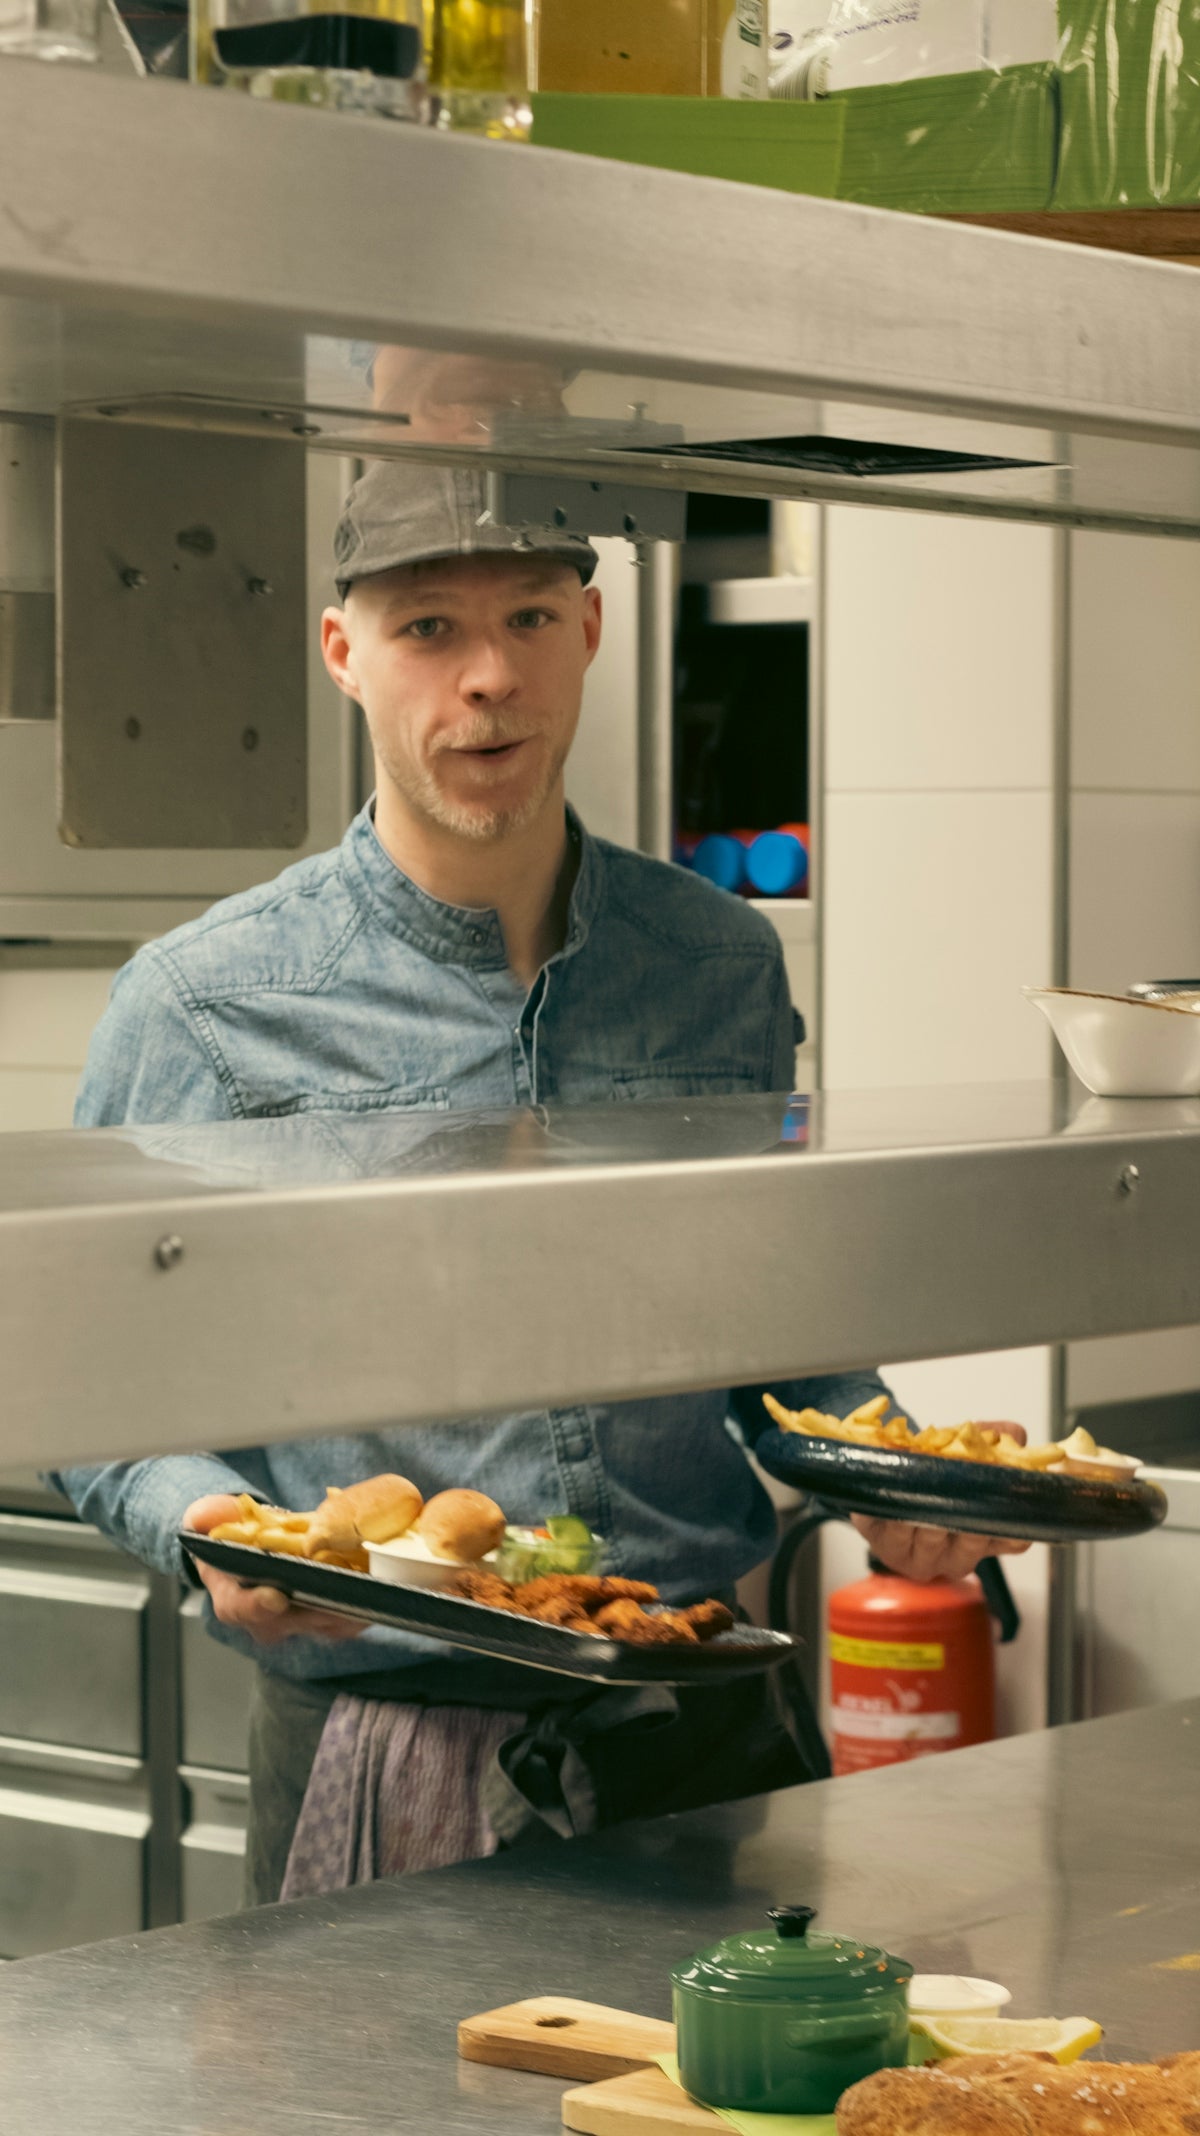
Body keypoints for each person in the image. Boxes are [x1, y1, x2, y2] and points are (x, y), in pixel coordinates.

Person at [55, 461, 1025, 1907]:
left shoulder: (718, 966)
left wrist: (888, 1474)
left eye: (525, 618)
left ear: (589, 631)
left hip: (710, 1733)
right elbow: (85, 1369)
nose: (490, 679)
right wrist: (206, 1531)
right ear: (344, 656)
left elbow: (775, 1332)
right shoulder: (208, 1002)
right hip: (388, 1736)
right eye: (429, 630)